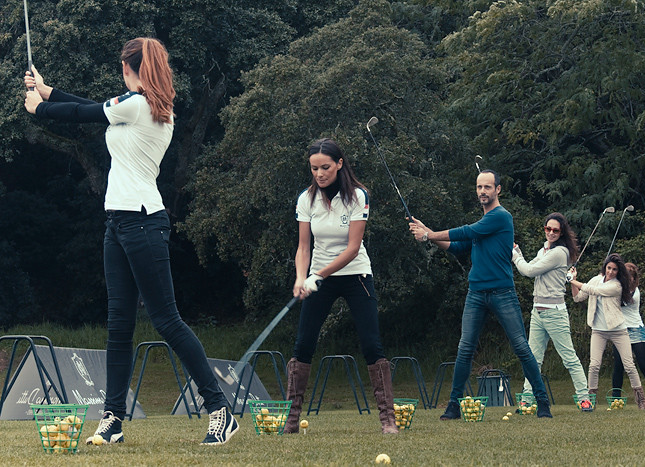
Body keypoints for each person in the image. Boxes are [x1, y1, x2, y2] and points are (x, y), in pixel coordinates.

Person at [24, 38, 238, 445]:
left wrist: (41, 108)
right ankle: (113, 419)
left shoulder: (138, 106)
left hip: (142, 223)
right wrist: (48, 91)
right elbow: (96, 105)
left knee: (167, 321)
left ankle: (220, 410)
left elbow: (85, 112)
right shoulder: (142, 105)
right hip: (118, 223)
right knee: (119, 325)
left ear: (128, 67)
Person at [409, 170, 553, 419]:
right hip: (476, 293)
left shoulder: (501, 217)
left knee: (520, 346)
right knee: (465, 348)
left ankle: (542, 402)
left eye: (487, 187)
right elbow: (456, 247)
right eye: (479, 187)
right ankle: (454, 405)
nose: (482, 191)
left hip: (502, 292)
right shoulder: (482, 225)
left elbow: (466, 231)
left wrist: (428, 235)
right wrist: (429, 234)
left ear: (498, 189)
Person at [286, 138, 398, 434]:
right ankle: (291, 420)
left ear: (339, 164)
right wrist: (301, 277)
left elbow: (352, 248)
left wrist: (317, 275)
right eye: (314, 168)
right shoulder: (305, 200)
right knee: (303, 345)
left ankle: (388, 420)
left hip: (355, 274)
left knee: (372, 344)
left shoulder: (358, 196)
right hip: (318, 277)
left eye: (325, 167)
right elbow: (303, 247)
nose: (319, 174)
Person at [512, 213, 592, 411]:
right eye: (548, 229)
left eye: (555, 230)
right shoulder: (544, 250)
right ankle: (526, 400)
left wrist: (515, 255)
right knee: (533, 359)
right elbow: (535, 266)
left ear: (561, 232)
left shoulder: (560, 252)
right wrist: (519, 252)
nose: (551, 233)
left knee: (569, 358)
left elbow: (529, 271)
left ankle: (584, 399)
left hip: (554, 312)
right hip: (537, 311)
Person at [569, 253, 645, 409]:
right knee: (594, 365)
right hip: (598, 330)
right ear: (605, 267)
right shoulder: (596, 280)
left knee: (629, 365)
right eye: (609, 268)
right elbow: (578, 298)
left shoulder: (617, 285)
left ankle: (641, 402)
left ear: (619, 272)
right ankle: (591, 400)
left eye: (615, 269)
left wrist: (572, 280)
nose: (611, 272)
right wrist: (572, 281)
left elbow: (595, 291)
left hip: (618, 330)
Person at [611, 263, 645, 408]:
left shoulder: (633, 291)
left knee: (644, 365)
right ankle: (616, 401)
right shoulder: (616, 287)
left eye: (629, 276)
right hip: (620, 331)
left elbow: (621, 300)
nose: (626, 279)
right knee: (618, 366)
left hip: (636, 330)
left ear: (634, 278)